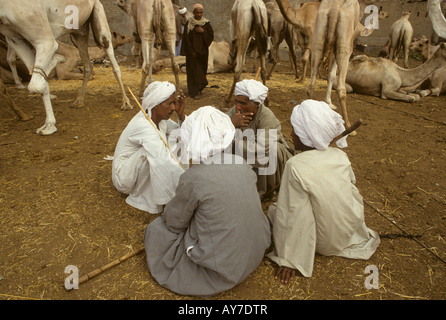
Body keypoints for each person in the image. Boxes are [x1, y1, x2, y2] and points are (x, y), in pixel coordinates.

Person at [143, 106, 271, 297]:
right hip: (255, 252)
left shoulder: (193, 178)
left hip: (220, 270)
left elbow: (173, 222)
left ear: (191, 138)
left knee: (156, 230)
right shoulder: (242, 164)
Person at [267, 99, 380, 284]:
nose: (291, 134)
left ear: (305, 135)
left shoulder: (295, 165)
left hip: (325, 243)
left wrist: (289, 258)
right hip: (349, 231)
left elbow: (294, 213)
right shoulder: (340, 155)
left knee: (275, 210)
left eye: (295, 130)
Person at [112, 81, 187, 214]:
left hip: (134, 170)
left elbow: (183, 134)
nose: (173, 107)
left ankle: (168, 192)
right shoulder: (142, 125)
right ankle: (149, 200)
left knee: (176, 141)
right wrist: (187, 186)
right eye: (169, 103)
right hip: (123, 177)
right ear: (156, 106)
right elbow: (161, 160)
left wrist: (181, 115)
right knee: (154, 154)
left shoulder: (161, 119)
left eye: (174, 103)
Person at [226, 79, 294, 199]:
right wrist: (230, 124)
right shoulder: (235, 112)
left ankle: (264, 191)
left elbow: (262, 147)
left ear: (256, 104)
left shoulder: (267, 117)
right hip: (244, 153)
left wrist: (234, 143)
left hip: (264, 155)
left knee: (271, 151)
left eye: (243, 103)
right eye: (236, 102)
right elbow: (216, 131)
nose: (238, 106)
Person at [180, 3, 214, 100]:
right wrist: (191, 51)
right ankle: (194, 92)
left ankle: (199, 89)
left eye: (200, 13)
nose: (199, 15)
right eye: (197, 12)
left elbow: (211, 36)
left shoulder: (206, 23)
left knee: (201, 72)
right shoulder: (189, 23)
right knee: (193, 72)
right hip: (192, 54)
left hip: (203, 53)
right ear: (193, 13)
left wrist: (203, 32)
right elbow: (186, 39)